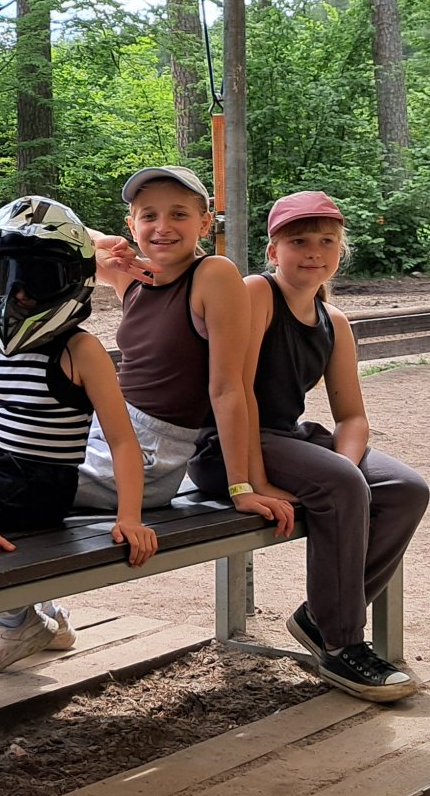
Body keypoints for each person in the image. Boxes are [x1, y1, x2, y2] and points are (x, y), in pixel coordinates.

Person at [0, 196, 158, 672]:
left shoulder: (80, 350)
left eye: (38, 279)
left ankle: (13, 621)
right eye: (1, 277)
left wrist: (130, 517)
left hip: (41, 483)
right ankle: (41, 612)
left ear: (69, 282)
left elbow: (122, 440)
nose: (17, 295)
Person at [245, 191, 430, 701]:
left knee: (405, 489)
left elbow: (352, 416)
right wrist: (253, 479)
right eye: (298, 241)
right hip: (233, 441)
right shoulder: (256, 293)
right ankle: (341, 644)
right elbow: (232, 392)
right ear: (273, 251)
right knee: (344, 484)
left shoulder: (335, 321)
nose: (314, 251)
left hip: (288, 437)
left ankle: (318, 616)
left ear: (341, 250)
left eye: (327, 241)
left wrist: (344, 466)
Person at [77, 166, 295, 543]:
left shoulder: (212, 275)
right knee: (10, 457)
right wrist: (104, 245)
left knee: (16, 483)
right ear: (132, 226)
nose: (162, 227)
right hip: (103, 431)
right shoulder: (133, 278)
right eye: (149, 216)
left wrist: (242, 486)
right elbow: (63, 231)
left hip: (150, 454)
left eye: (178, 214)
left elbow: (228, 389)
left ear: (205, 223)